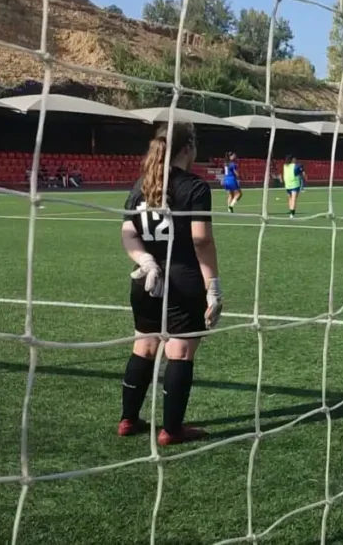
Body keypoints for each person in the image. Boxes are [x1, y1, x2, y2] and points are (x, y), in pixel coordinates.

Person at [119, 122, 222, 446]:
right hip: (182, 280)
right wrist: (214, 287)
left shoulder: (141, 185)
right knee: (179, 351)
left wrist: (145, 260)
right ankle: (171, 430)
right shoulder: (194, 187)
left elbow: (128, 234)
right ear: (188, 147)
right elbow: (201, 241)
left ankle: (128, 419)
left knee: (144, 346)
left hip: (146, 282)